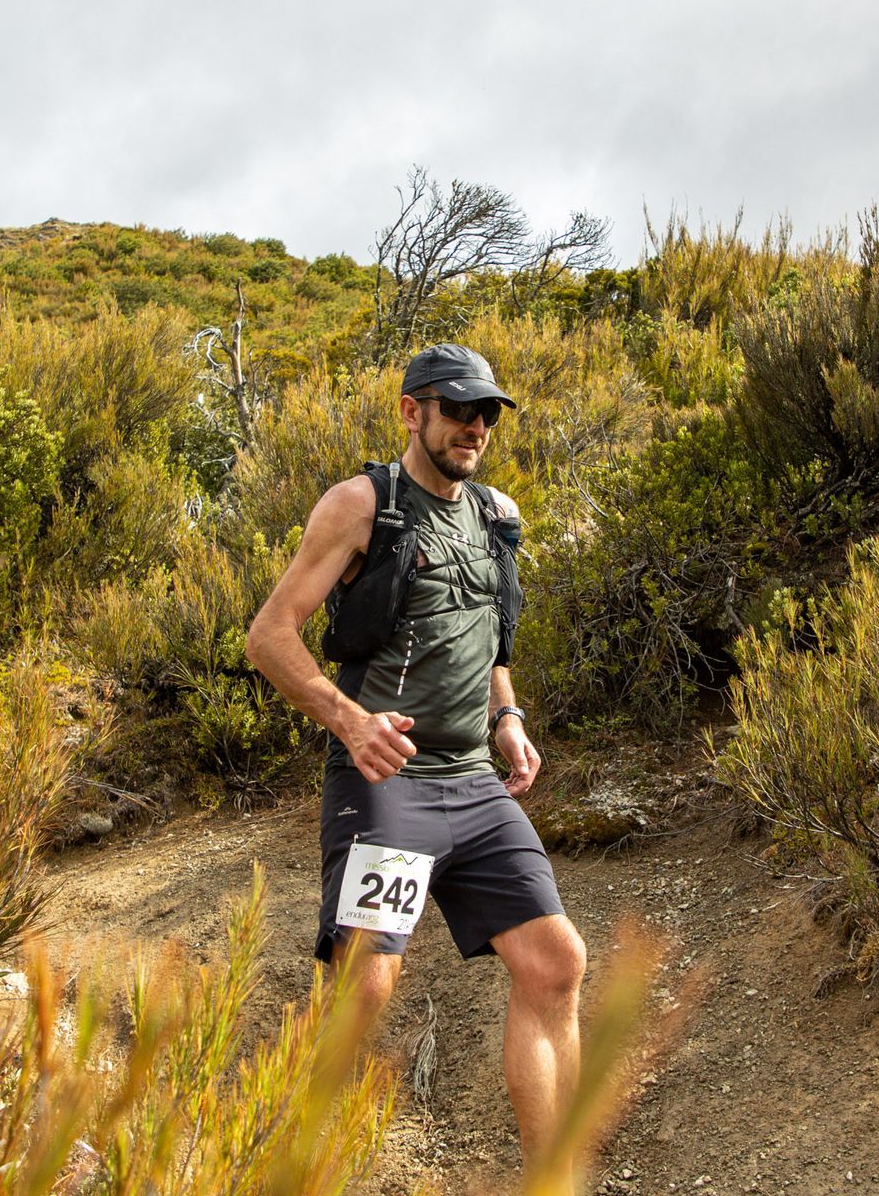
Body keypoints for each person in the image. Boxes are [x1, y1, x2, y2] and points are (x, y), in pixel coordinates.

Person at [246, 343, 586, 1184]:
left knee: (557, 964)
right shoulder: (363, 506)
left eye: (487, 414)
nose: (475, 426)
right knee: (365, 988)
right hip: (387, 786)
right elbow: (270, 634)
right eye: (458, 408)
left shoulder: (498, 515)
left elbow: (489, 639)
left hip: (474, 783)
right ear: (412, 411)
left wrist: (505, 715)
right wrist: (349, 721)